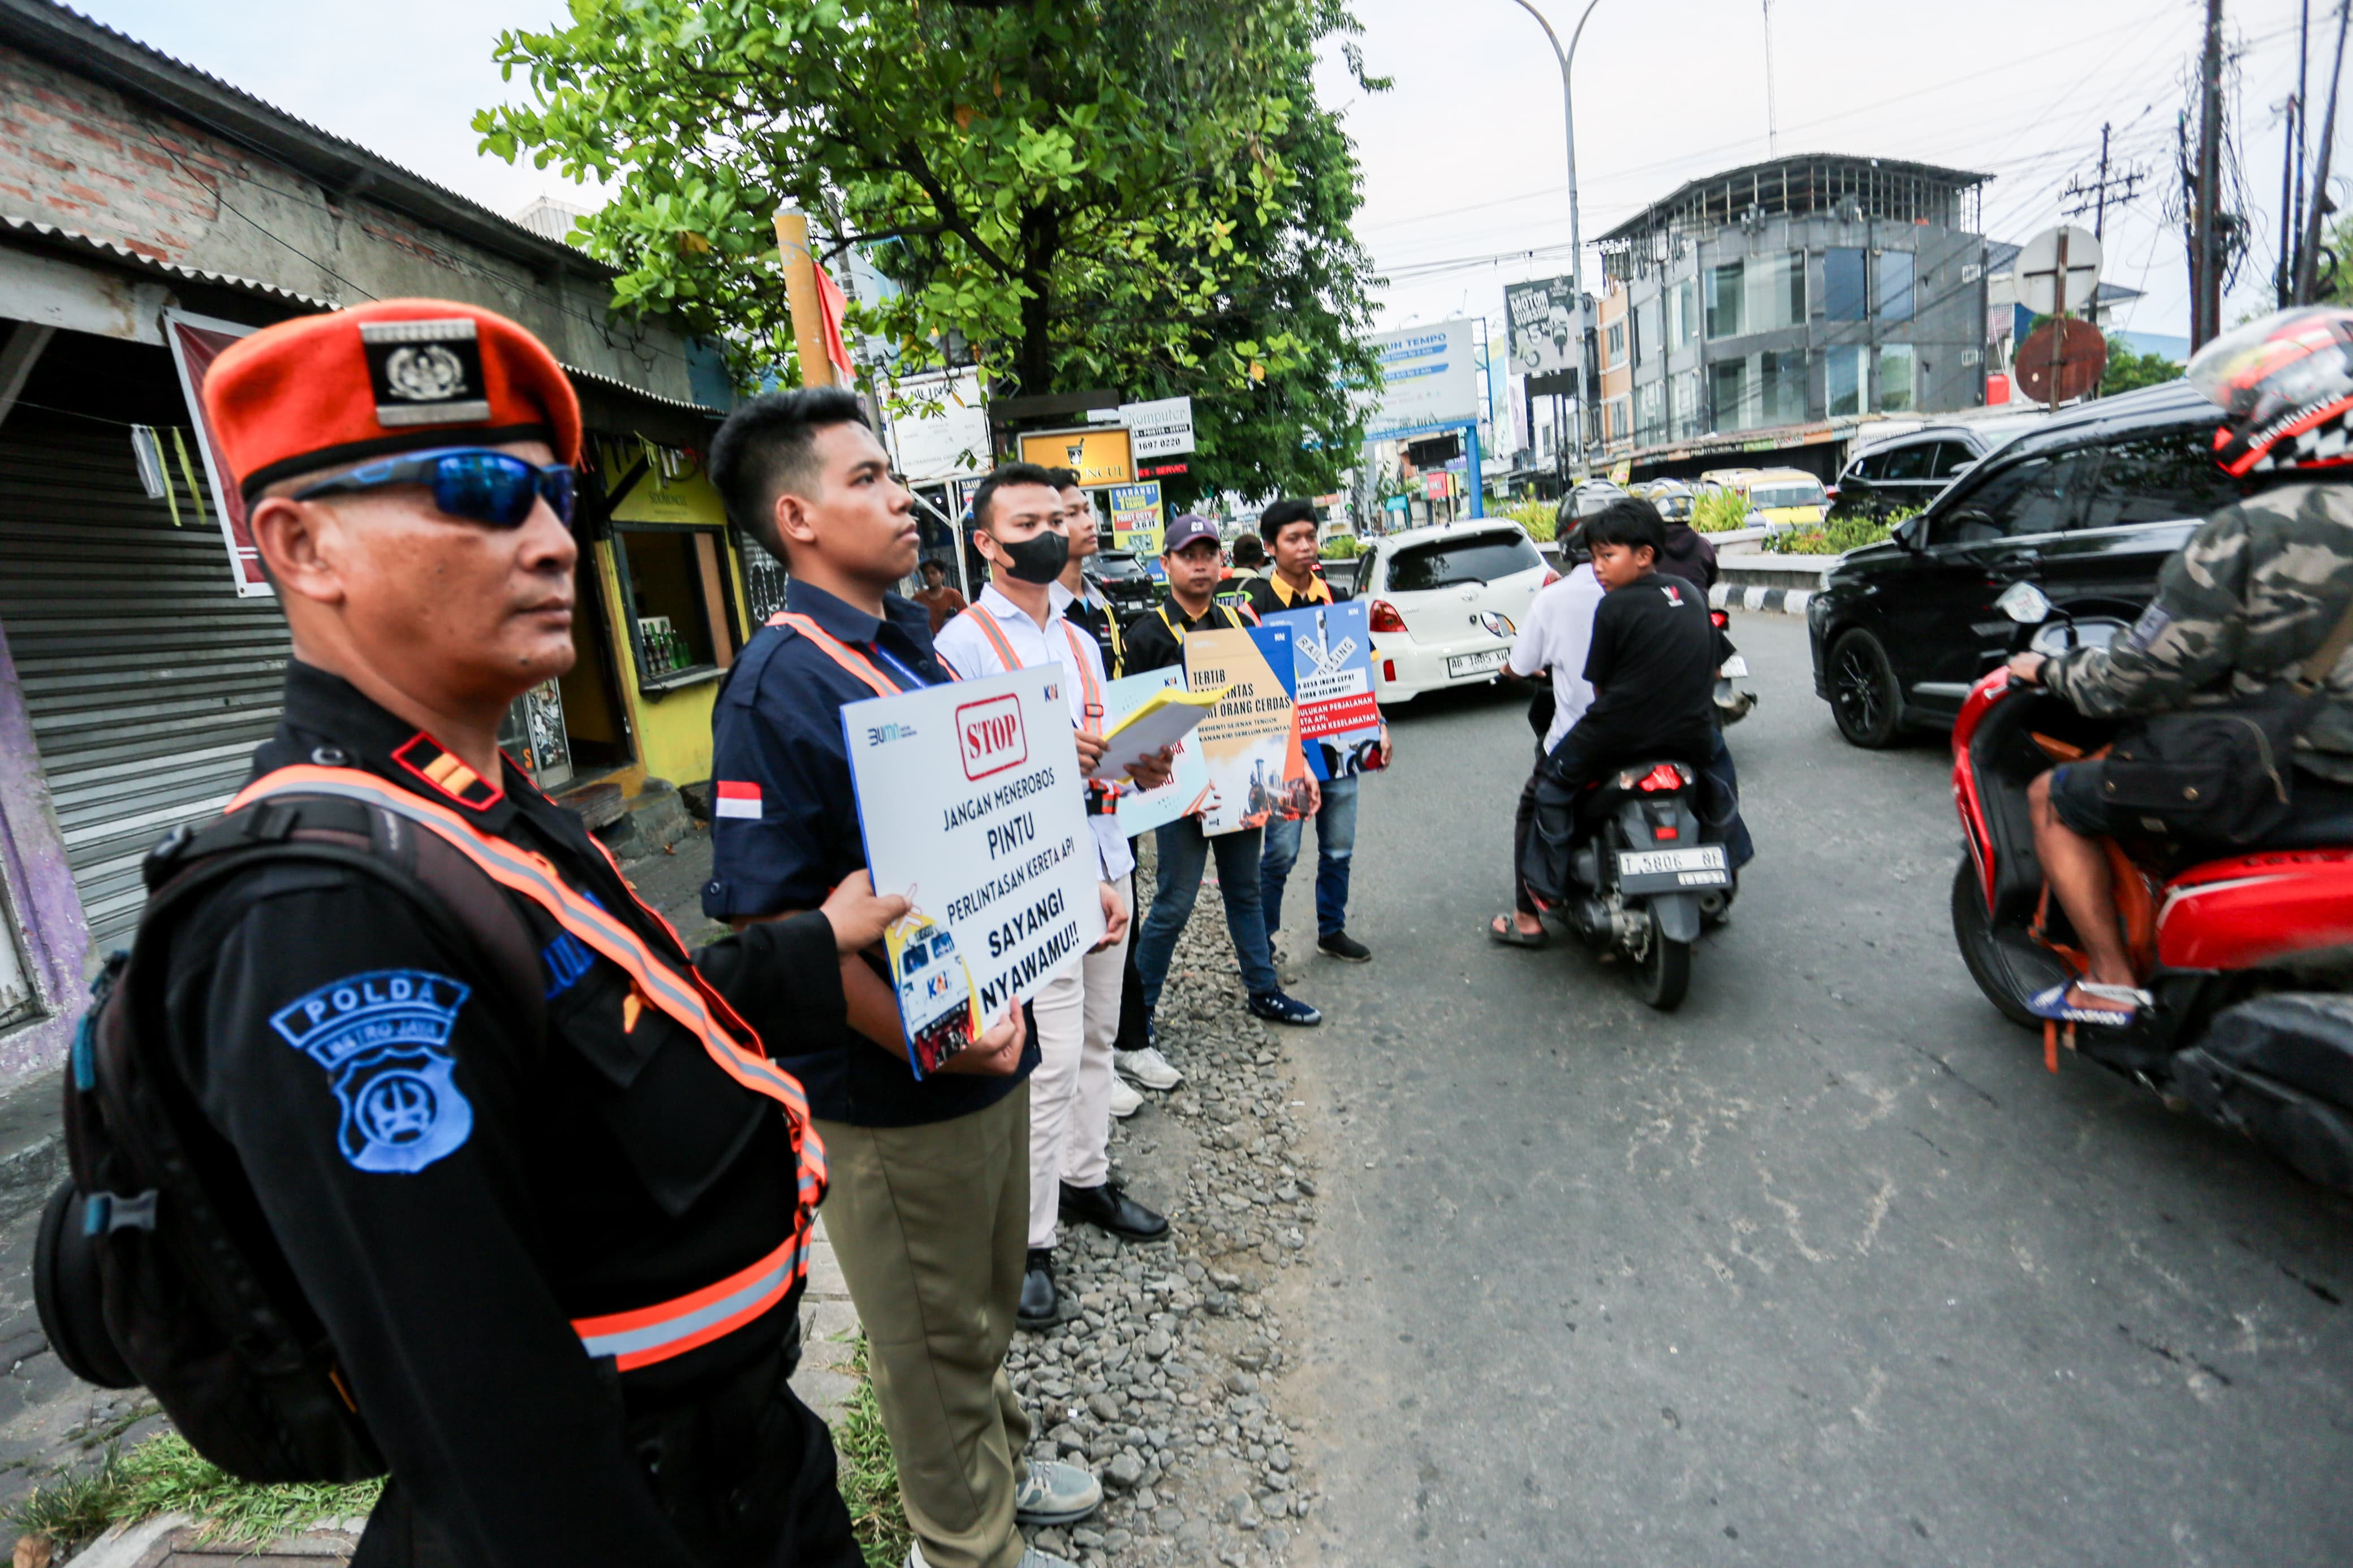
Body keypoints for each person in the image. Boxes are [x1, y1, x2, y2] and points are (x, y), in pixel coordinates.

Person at [167, 300, 867, 1566]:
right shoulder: (324, 908)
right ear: (301, 542)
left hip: (741, 1468)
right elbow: (491, 1433)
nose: (551, 541)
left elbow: (615, 1029)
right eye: (482, 491)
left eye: (557, 495)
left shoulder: (480, 806)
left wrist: (815, 944)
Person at [703, 394, 1096, 1568]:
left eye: (896, 475)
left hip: (985, 1042)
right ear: (797, 516)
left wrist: (1077, 778)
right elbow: (777, 922)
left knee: (975, 1313)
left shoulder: (905, 643)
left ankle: (999, 1463)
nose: (903, 499)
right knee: (927, 1341)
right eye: (870, 477)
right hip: (889, 1087)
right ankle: (962, 1541)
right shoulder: (776, 691)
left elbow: (982, 822)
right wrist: (932, 1040)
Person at [2007, 306, 2353, 1027]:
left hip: (2298, 770)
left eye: (2247, 403)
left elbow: (2138, 676)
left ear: (2297, 405)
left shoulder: (2250, 530)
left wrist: (2048, 672)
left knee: (2054, 795)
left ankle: (2108, 979)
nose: (2236, 416)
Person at [932, 463, 1171, 1331]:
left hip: (1106, 852)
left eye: (1057, 517)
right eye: (1026, 519)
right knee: (1052, 1055)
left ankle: (1086, 1179)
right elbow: (962, 771)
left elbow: (1093, 751)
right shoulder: (963, 642)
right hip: (1032, 875)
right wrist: (1048, 753)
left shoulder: (1078, 635)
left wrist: (1137, 759)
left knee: (1101, 1035)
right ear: (987, 543)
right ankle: (1029, 1243)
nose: (1051, 531)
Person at [1124, 515, 1322, 1030]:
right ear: (1165, 564)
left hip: (1239, 784)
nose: (1200, 565)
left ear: (1222, 563)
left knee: (1245, 892)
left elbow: (1276, 703)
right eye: (1188, 555)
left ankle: (1263, 989)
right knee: (1173, 900)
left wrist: (1297, 771)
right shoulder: (1146, 634)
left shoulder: (1238, 625)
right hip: (1182, 793)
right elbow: (1135, 722)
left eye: (1209, 554)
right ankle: (1136, 1016)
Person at [1520, 498, 1727, 908]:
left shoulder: (1613, 607)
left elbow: (1599, 688)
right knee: (1720, 778)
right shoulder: (1688, 592)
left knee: (1552, 786)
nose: (1598, 567)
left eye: (1607, 556)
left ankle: (1549, 886)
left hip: (1619, 735)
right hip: (1692, 732)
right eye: (1595, 557)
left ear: (1645, 555)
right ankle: (1729, 859)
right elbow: (1714, 666)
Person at [1242, 498, 1390, 965]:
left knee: (1339, 848)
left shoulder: (1340, 602)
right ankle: (1261, 940)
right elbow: (1255, 695)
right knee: (1280, 854)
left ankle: (1332, 929)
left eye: (1311, 536)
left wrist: (1379, 725)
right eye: (1293, 539)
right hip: (1283, 755)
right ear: (1270, 547)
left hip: (1341, 745)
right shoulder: (1253, 610)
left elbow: (1360, 677)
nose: (1306, 546)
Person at [1491, 524, 1608, 947]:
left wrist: (1509, 672)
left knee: (1533, 804)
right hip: (1667, 733)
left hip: (1587, 738)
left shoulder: (1557, 598)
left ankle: (1527, 915)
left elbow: (1521, 665)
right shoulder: (1667, 592)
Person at [1049, 468, 1126, 681]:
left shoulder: (1106, 604)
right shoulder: (1039, 613)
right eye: (1072, 514)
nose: (1090, 522)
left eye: (1086, 510)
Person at [912, 558, 967, 633]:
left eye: (933, 573)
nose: (930, 577)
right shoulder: (917, 600)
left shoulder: (953, 595)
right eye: (926, 574)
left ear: (942, 575)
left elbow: (966, 618)